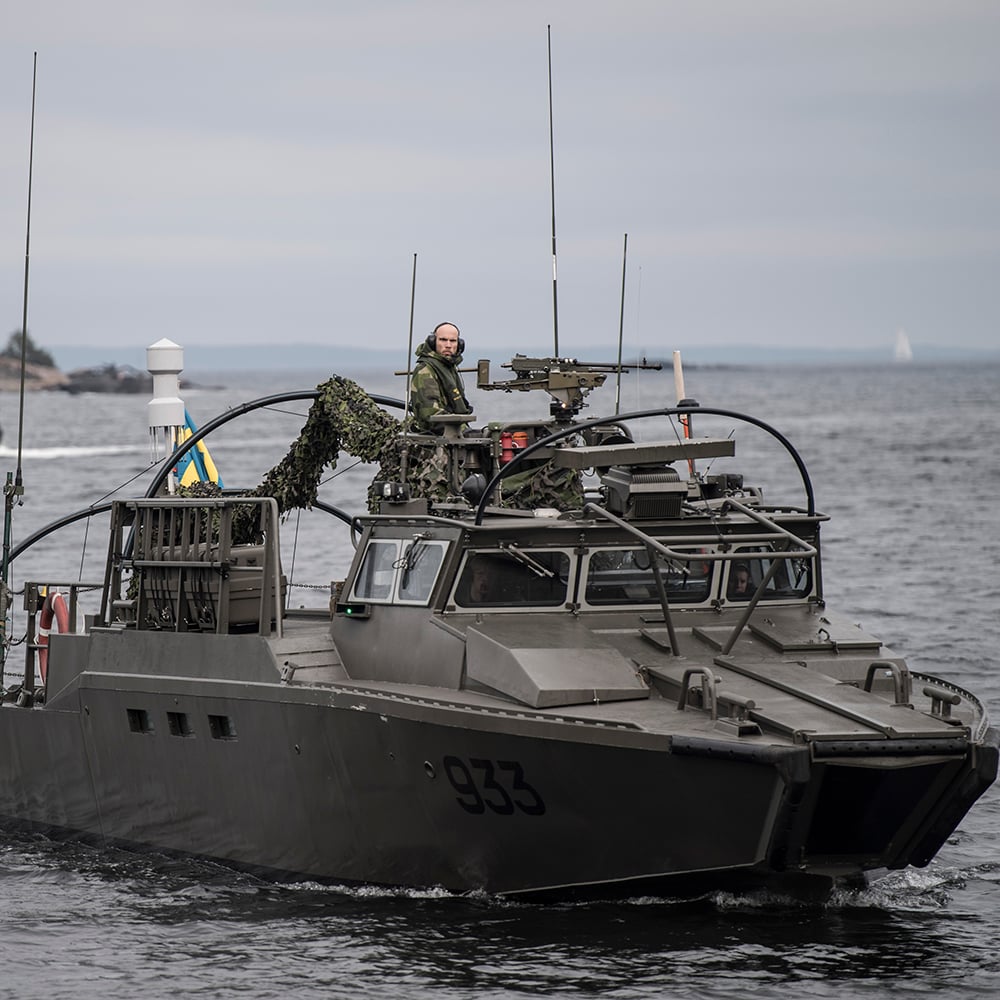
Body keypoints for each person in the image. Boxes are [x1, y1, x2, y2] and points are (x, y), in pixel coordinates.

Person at [409, 322, 472, 433]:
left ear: (459, 344)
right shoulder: (425, 370)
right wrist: (464, 431)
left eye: (453, 341)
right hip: (434, 438)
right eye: (443, 340)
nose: (448, 345)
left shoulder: (448, 368)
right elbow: (431, 414)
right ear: (433, 342)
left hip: (451, 434)